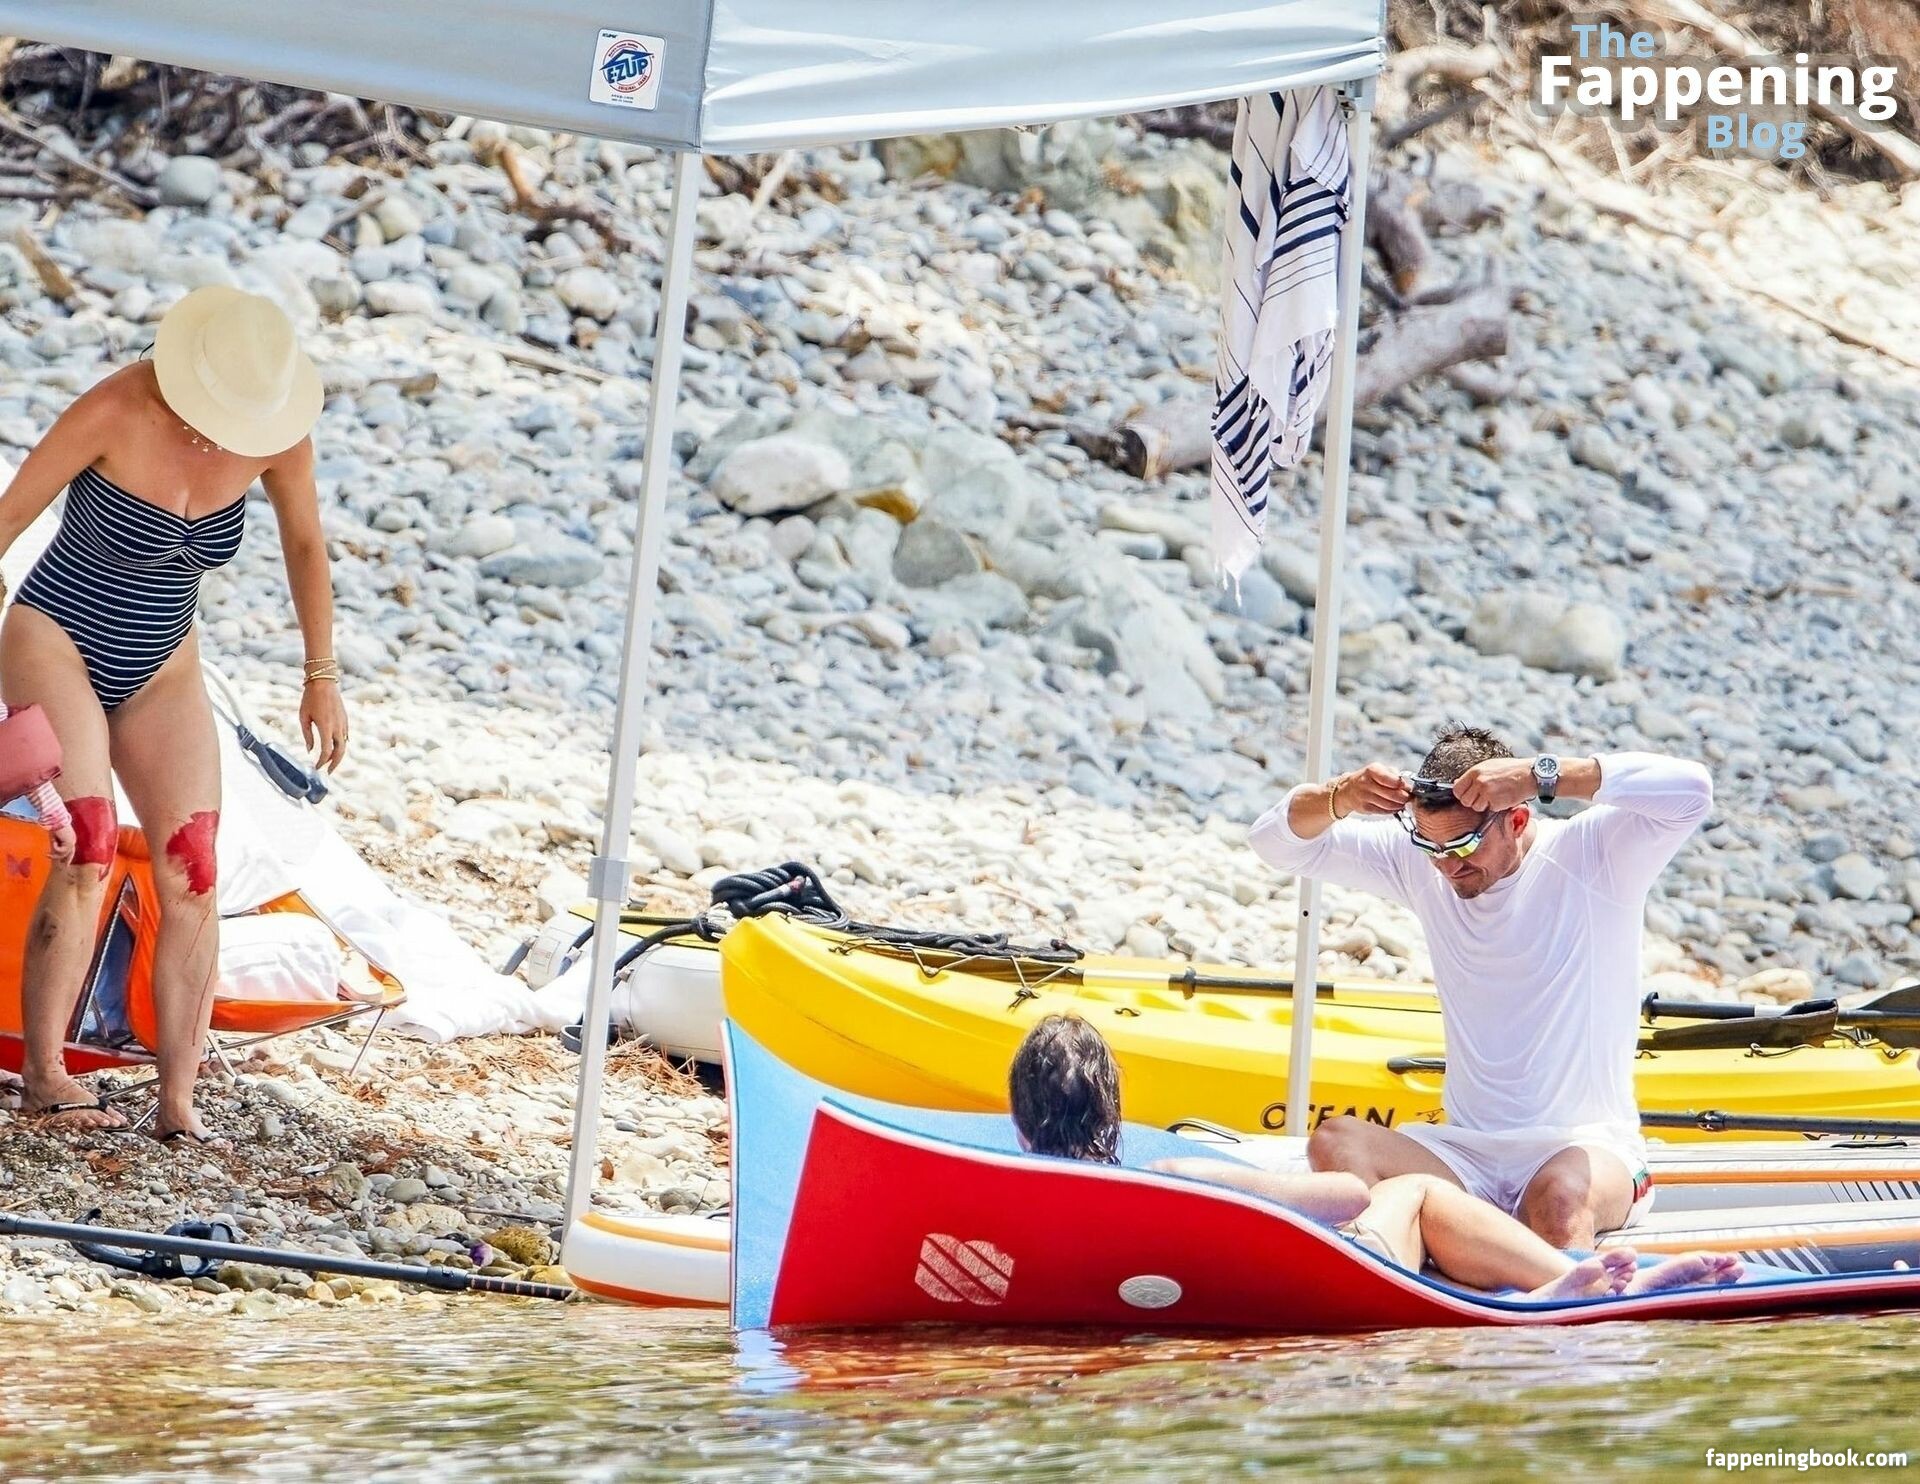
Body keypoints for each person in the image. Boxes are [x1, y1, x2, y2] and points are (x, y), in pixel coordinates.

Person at [0, 287, 348, 1140]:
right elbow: (9, 517)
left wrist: (321, 674)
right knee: (86, 848)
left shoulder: (275, 434)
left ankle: (177, 1104)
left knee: (193, 869)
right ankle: (45, 1076)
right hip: (55, 638)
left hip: (163, 664)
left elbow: (306, 542)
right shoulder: (119, 406)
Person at [1249, 723, 1714, 1249]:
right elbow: (1274, 842)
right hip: (1464, 1153)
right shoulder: (1424, 864)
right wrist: (1342, 795)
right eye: (1429, 844)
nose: (1448, 866)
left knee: (1560, 1199)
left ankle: (1549, 1289)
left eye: (1464, 845)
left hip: (1583, 1148)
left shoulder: (1594, 854)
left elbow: (1692, 790)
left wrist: (1541, 775)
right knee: (1336, 1141)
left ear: (1516, 819)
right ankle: (1404, 1275)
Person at [1007, 1015, 1741, 1300]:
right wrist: (1276, 1186)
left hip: (1176, 1294)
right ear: (1111, 1109)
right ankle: (1566, 1283)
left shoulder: (1015, 1195)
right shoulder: (1170, 1177)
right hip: (1315, 1286)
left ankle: (1568, 1283)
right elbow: (1349, 1199)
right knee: (1415, 1190)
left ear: (1019, 1123)